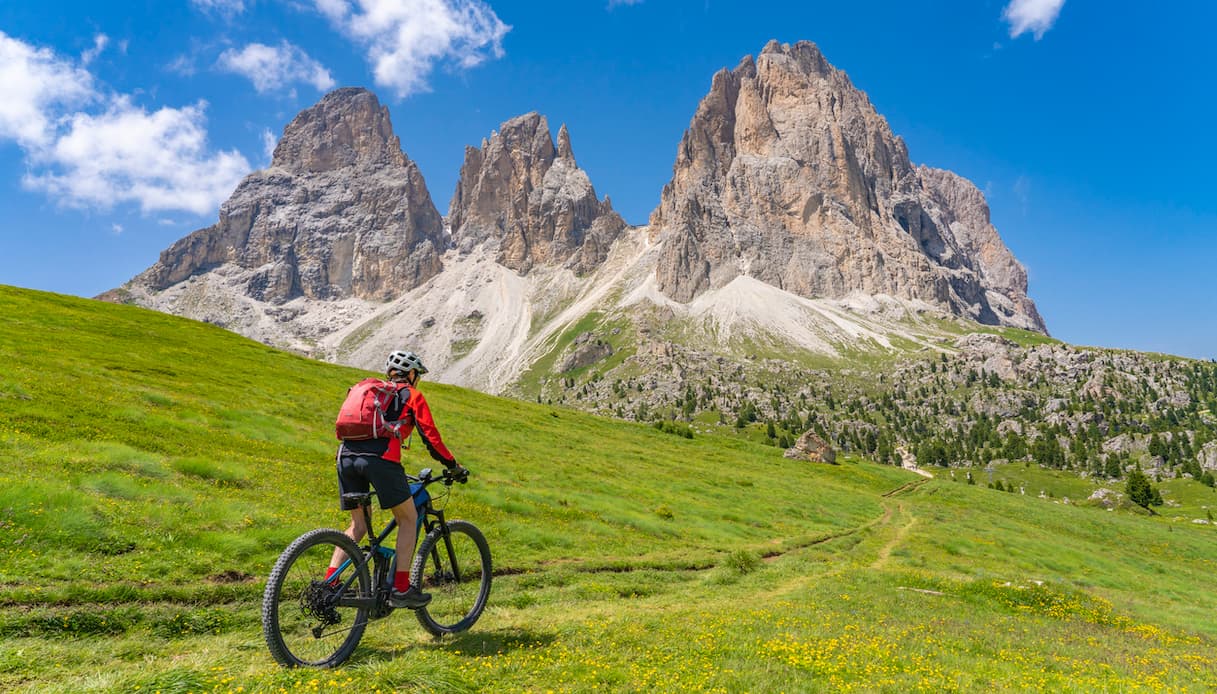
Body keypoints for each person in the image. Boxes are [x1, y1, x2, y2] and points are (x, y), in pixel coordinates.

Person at [326, 349, 466, 608]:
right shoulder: (412, 395)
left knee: (358, 526)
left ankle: (329, 584)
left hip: (345, 456)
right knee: (408, 518)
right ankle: (401, 588)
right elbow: (431, 438)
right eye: (417, 375)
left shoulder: (371, 392)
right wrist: (453, 465)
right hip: (380, 460)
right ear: (411, 374)